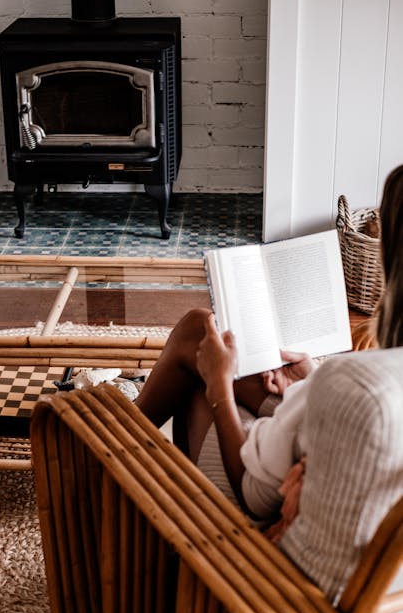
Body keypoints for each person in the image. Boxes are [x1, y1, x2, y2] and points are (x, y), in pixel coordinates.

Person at [135, 163, 403, 529]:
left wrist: (218, 388)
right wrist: (310, 380)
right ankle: (129, 431)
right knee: (207, 339)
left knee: (201, 365)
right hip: (332, 451)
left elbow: (255, 496)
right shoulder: (374, 373)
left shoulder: (353, 380)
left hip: (268, 544)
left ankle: (120, 444)